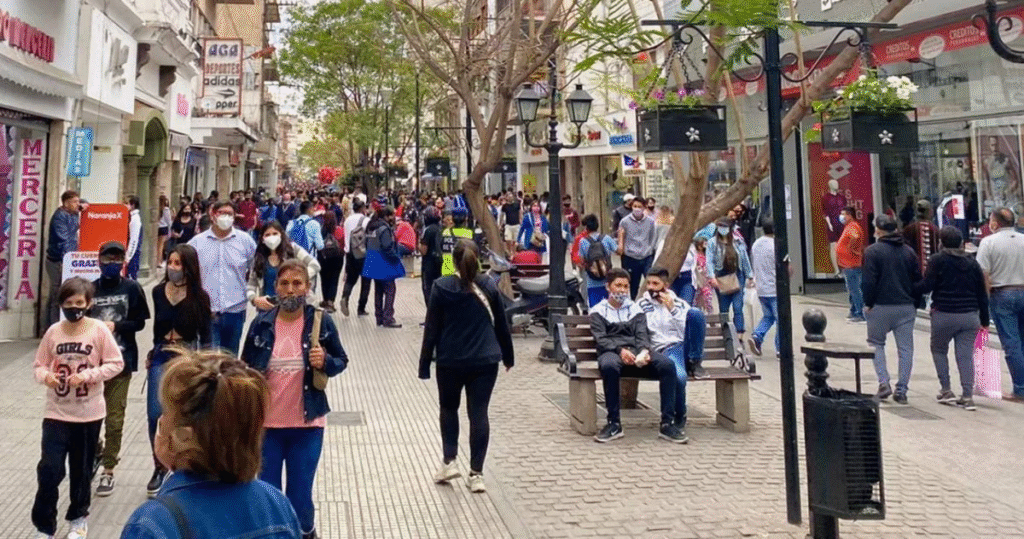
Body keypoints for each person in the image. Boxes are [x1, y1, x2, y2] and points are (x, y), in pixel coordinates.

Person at [120, 351, 303, 538]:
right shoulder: (276, 504)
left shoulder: (152, 524)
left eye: (166, 412)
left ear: (183, 438)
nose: (161, 419)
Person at [241, 260, 348, 538]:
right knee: (269, 496)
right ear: (275, 287)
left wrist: (325, 361)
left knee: (300, 497)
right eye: (284, 284)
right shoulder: (261, 324)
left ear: (307, 287)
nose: (290, 290)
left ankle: (306, 532)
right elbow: (245, 368)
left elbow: (341, 360)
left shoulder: (320, 322)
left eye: (297, 283)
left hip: (307, 425)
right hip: (268, 427)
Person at [32, 277, 124, 539]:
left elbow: (115, 363)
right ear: (61, 304)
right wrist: (46, 376)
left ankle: (78, 518)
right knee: (49, 470)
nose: (74, 308)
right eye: (69, 303)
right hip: (56, 413)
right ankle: (44, 526)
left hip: (88, 413)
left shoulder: (98, 330)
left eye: (79, 303)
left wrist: (88, 375)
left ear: (89, 303)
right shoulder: (53, 332)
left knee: (81, 470)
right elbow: (39, 365)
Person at [419, 240, 514, 493]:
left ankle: (449, 461)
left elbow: (431, 329)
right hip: (485, 360)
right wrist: (508, 357)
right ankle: (476, 474)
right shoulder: (489, 286)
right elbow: (501, 325)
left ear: (453, 260)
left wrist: (424, 364)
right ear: (478, 258)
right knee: (479, 413)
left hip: (450, 360)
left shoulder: (441, 286)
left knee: (449, 408)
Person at [146, 244, 213, 496]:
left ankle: (184, 464)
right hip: (162, 352)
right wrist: (152, 352)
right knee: (155, 412)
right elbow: (156, 329)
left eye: (179, 263)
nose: (173, 268)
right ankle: (159, 465)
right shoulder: (157, 292)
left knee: (185, 413)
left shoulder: (200, 297)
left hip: (187, 354)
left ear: (189, 267)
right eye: (171, 262)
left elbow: (206, 335)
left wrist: (205, 363)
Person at [590, 268, 685, 443]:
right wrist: (620, 351)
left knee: (667, 365)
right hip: (612, 352)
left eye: (626, 286)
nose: (622, 290)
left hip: (636, 352)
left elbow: (642, 334)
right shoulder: (597, 311)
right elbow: (601, 339)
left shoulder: (635, 309)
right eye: (618, 285)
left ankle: (667, 424)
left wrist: (644, 351)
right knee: (609, 366)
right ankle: (613, 424)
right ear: (608, 287)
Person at [89, 242, 150, 498]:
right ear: (99, 261)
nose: (111, 263)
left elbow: (140, 322)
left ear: (124, 261)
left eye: (117, 258)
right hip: (92, 366)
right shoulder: (90, 289)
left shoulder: (132, 288)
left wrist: (117, 326)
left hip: (121, 361)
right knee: (90, 417)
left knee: (115, 418)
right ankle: (95, 451)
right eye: (107, 258)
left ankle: (109, 468)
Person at [915, 226, 989, 411]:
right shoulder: (972, 263)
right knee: (965, 355)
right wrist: (985, 320)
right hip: (969, 316)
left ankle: (946, 389)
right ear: (961, 243)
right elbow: (982, 293)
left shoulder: (937, 260)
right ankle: (967, 395)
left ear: (941, 242)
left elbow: (927, 286)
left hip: (944, 313)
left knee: (939, 350)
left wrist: (910, 287)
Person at [639, 267, 708, 441]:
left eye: (656, 283)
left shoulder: (680, 304)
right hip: (662, 350)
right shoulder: (641, 305)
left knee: (696, 313)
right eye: (648, 283)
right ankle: (680, 415)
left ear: (666, 285)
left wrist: (673, 310)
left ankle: (695, 361)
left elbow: (686, 331)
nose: (651, 287)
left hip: (681, 346)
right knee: (679, 377)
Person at [862, 214, 921, 404]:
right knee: (906, 349)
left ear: (878, 231)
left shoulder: (872, 252)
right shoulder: (909, 252)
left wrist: (868, 303)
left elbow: (868, 281)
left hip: (880, 306)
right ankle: (902, 389)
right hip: (905, 306)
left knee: (876, 343)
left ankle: (883, 382)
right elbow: (917, 280)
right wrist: (915, 303)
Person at [188, 201, 257, 355]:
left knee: (230, 358)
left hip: (235, 309)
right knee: (208, 359)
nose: (225, 217)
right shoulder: (197, 243)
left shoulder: (245, 241)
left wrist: (253, 293)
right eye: (222, 213)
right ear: (213, 215)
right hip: (207, 311)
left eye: (229, 214)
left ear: (234, 216)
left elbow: (257, 268)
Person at [976, 207, 1024, 402]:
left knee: (1012, 342)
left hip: (1002, 294)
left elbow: (984, 275)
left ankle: (1020, 389)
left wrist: (984, 303)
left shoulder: (988, 242)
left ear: (995, 224)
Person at [247, 221, 321, 312]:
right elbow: (251, 285)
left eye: (275, 234)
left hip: (293, 305)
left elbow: (315, 265)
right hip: (267, 308)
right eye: (267, 235)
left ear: (281, 235)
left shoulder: (292, 250)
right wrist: (254, 299)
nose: (271, 237)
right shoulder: (259, 258)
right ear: (262, 239)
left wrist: (300, 277)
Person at [707, 217, 753, 346]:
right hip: (721, 276)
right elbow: (709, 261)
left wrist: (750, 275)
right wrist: (712, 277)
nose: (723, 229)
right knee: (724, 308)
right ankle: (726, 334)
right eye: (720, 226)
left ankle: (739, 335)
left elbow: (744, 258)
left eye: (725, 227)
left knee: (738, 307)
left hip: (737, 275)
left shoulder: (738, 241)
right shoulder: (712, 242)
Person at [362, 206, 405, 328]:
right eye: (392, 215)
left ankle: (379, 317)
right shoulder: (384, 228)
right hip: (383, 262)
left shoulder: (371, 226)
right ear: (387, 216)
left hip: (372, 260)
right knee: (390, 290)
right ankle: (388, 318)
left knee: (378, 290)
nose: (394, 218)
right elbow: (387, 247)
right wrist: (396, 257)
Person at [46, 190, 81, 324]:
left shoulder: (73, 213)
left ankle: (50, 324)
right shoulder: (59, 217)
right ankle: (52, 325)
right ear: (66, 203)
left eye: (78, 201)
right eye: (74, 202)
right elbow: (63, 240)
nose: (77, 204)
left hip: (66, 259)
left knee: (58, 294)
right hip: (58, 260)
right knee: (57, 295)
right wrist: (70, 260)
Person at [748, 220, 779, 357]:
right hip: (775, 288)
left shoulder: (756, 244)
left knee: (768, 316)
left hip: (761, 288)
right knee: (781, 320)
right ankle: (781, 349)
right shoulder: (777, 244)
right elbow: (786, 266)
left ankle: (757, 336)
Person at [617, 197, 657, 298]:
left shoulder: (650, 222)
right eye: (635, 206)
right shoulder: (624, 221)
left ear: (644, 207)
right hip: (630, 257)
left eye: (639, 207)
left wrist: (649, 249)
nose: (637, 209)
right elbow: (621, 237)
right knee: (633, 286)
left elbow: (653, 237)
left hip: (646, 256)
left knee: (651, 281)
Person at [577, 214, 619, 308]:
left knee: (595, 308)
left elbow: (582, 260)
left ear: (586, 228)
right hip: (607, 280)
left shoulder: (583, 241)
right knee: (608, 307)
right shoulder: (607, 238)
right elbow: (618, 251)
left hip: (592, 281)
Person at [341, 198, 372, 317]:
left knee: (350, 280)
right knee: (366, 282)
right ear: (362, 208)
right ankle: (361, 308)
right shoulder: (366, 220)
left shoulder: (347, 220)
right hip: (363, 254)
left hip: (350, 254)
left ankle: (345, 297)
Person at [836, 206, 866, 323]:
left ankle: (860, 313)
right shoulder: (849, 226)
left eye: (843, 214)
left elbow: (855, 236)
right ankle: (854, 311)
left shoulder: (853, 226)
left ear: (850, 215)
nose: (841, 216)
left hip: (851, 264)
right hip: (848, 264)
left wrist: (851, 248)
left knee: (854, 289)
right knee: (853, 289)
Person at [318, 211, 345, 313]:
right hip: (337, 258)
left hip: (323, 257)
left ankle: (325, 299)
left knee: (324, 279)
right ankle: (330, 302)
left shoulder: (321, 230)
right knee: (334, 279)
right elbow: (343, 243)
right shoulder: (339, 230)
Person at [903, 199, 940, 273]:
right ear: (929, 212)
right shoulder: (935, 229)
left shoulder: (908, 229)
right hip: (931, 271)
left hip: (913, 271)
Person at [419, 208, 444, 306]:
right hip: (441, 263)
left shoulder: (428, 230)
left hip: (429, 265)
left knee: (428, 290)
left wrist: (418, 244)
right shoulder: (442, 228)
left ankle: (431, 313)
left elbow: (423, 250)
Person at [441, 203, 474, 276]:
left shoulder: (445, 233)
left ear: (452, 219)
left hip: (446, 273)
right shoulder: (469, 234)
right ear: (465, 219)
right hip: (462, 273)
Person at [125, 196, 144, 280]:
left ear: (132, 205)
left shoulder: (135, 219)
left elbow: (134, 240)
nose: (125, 206)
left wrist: (128, 257)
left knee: (131, 278)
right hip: (133, 253)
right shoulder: (132, 218)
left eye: (127, 204)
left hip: (133, 254)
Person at [157, 195, 173, 269]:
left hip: (158, 227)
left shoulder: (157, 208)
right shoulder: (166, 209)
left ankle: (157, 261)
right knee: (161, 246)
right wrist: (170, 228)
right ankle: (159, 262)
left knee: (157, 246)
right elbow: (168, 220)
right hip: (164, 227)